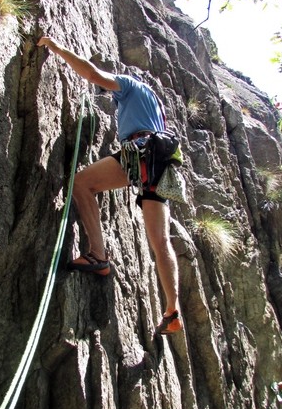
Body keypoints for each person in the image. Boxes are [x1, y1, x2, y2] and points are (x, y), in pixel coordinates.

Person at [37, 36, 182, 335]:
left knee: (81, 183)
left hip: (142, 149)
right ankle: (172, 310)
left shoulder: (130, 85)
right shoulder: (154, 105)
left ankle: (98, 255)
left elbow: (92, 74)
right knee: (161, 241)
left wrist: (57, 47)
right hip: (161, 162)